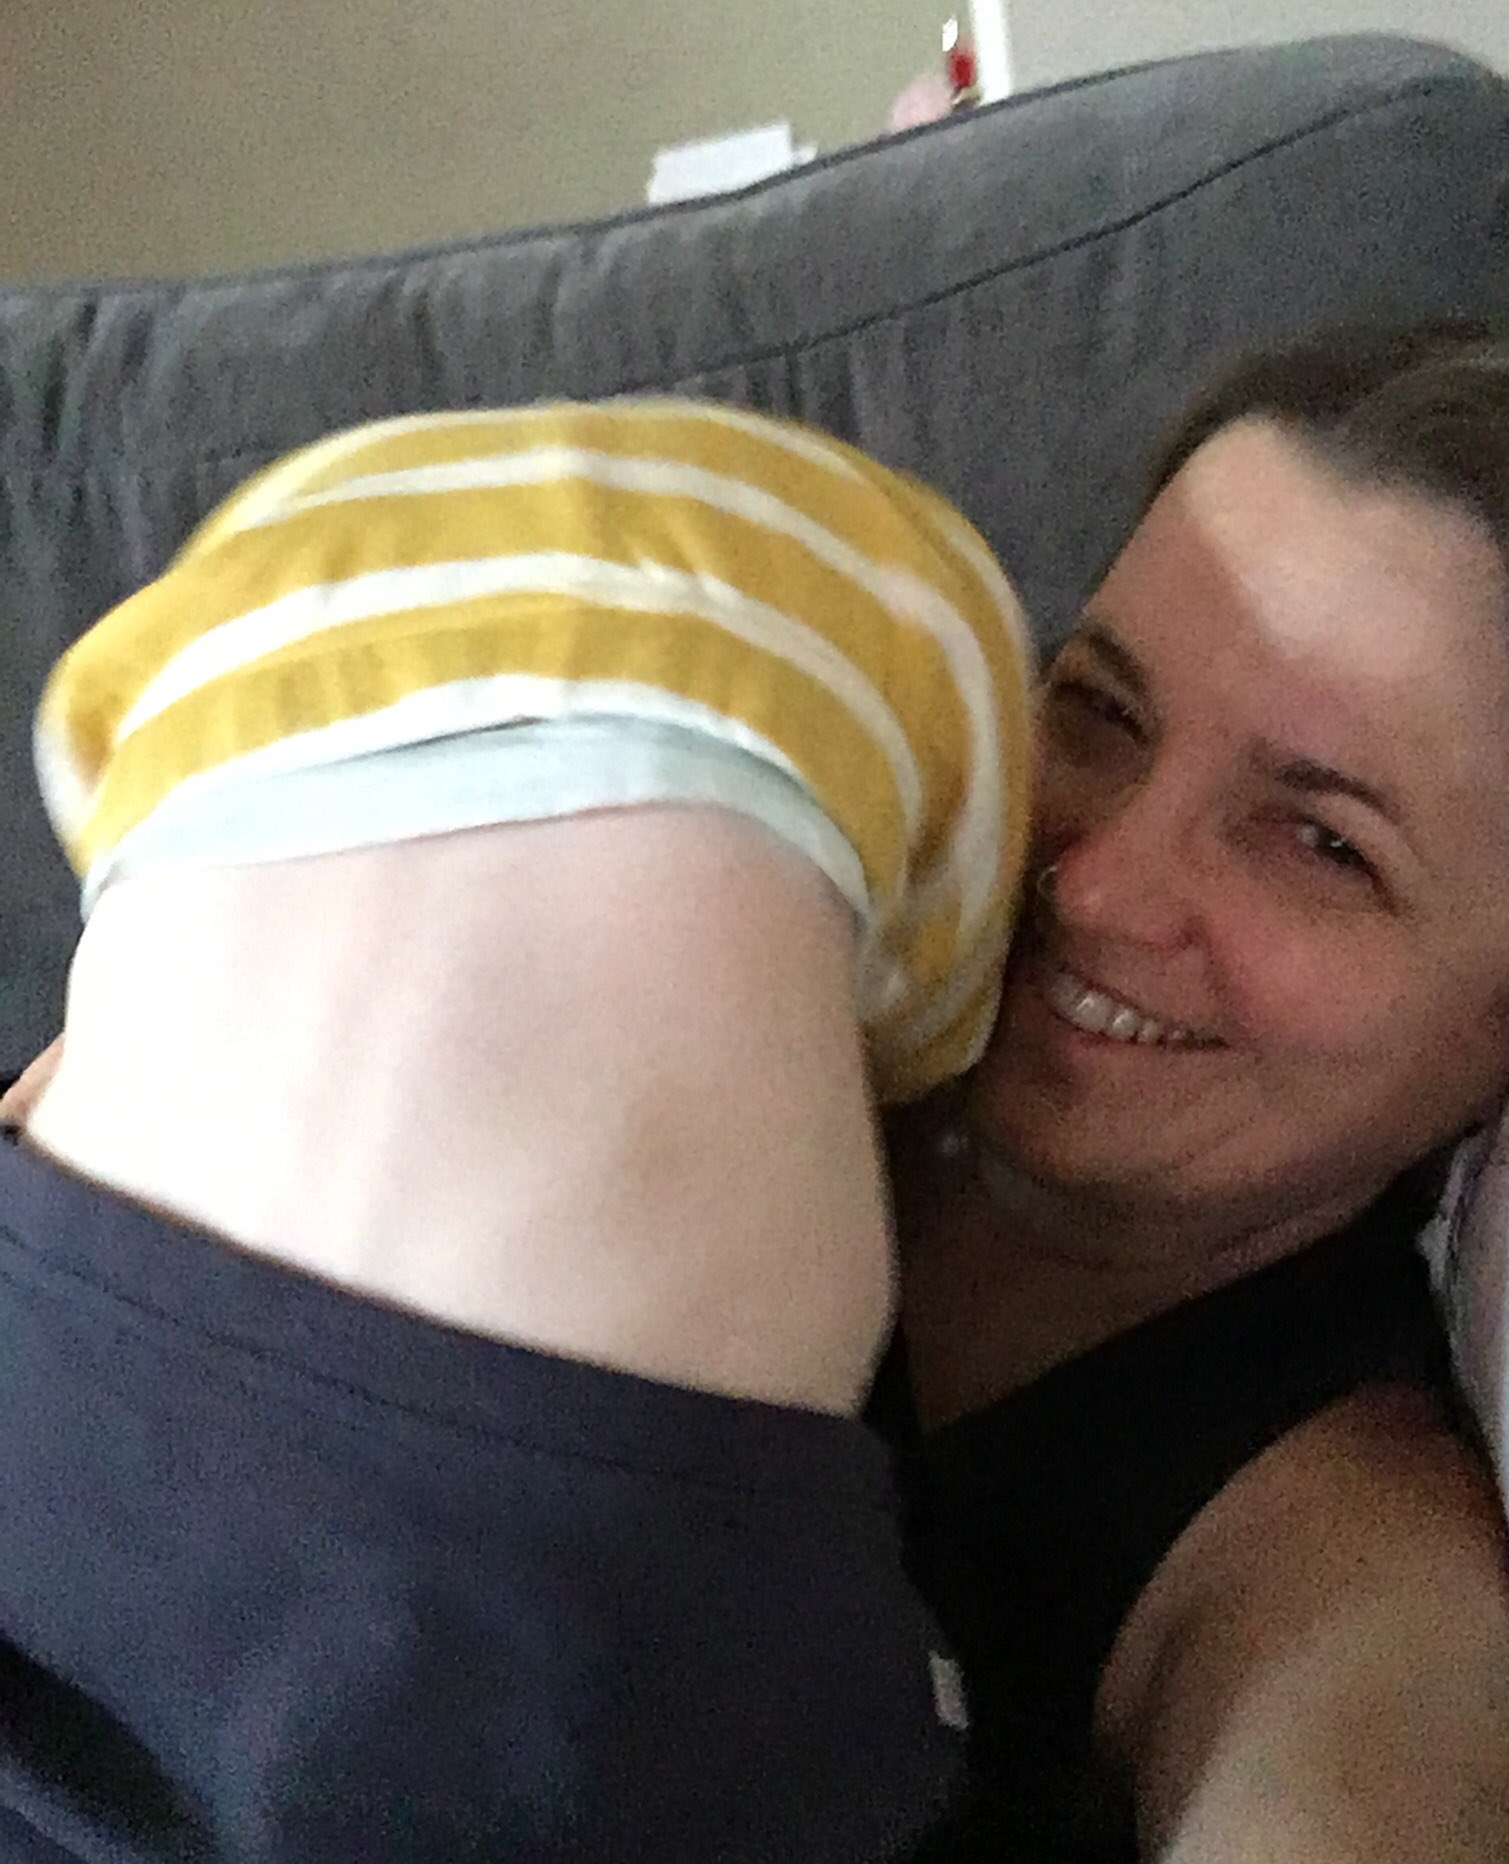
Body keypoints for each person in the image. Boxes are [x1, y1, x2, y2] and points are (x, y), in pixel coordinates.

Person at [0, 397, 1032, 1862]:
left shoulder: (218, 616)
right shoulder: (928, 614)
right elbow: (933, 1031)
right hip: (555, 1532)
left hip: (68, 1328)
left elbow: (107, 848)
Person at [877, 322, 1509, 1860]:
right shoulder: (771, 981)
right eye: (1102, 712)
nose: (1092, 884)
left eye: (1321, 844)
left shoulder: (1343, 1592)